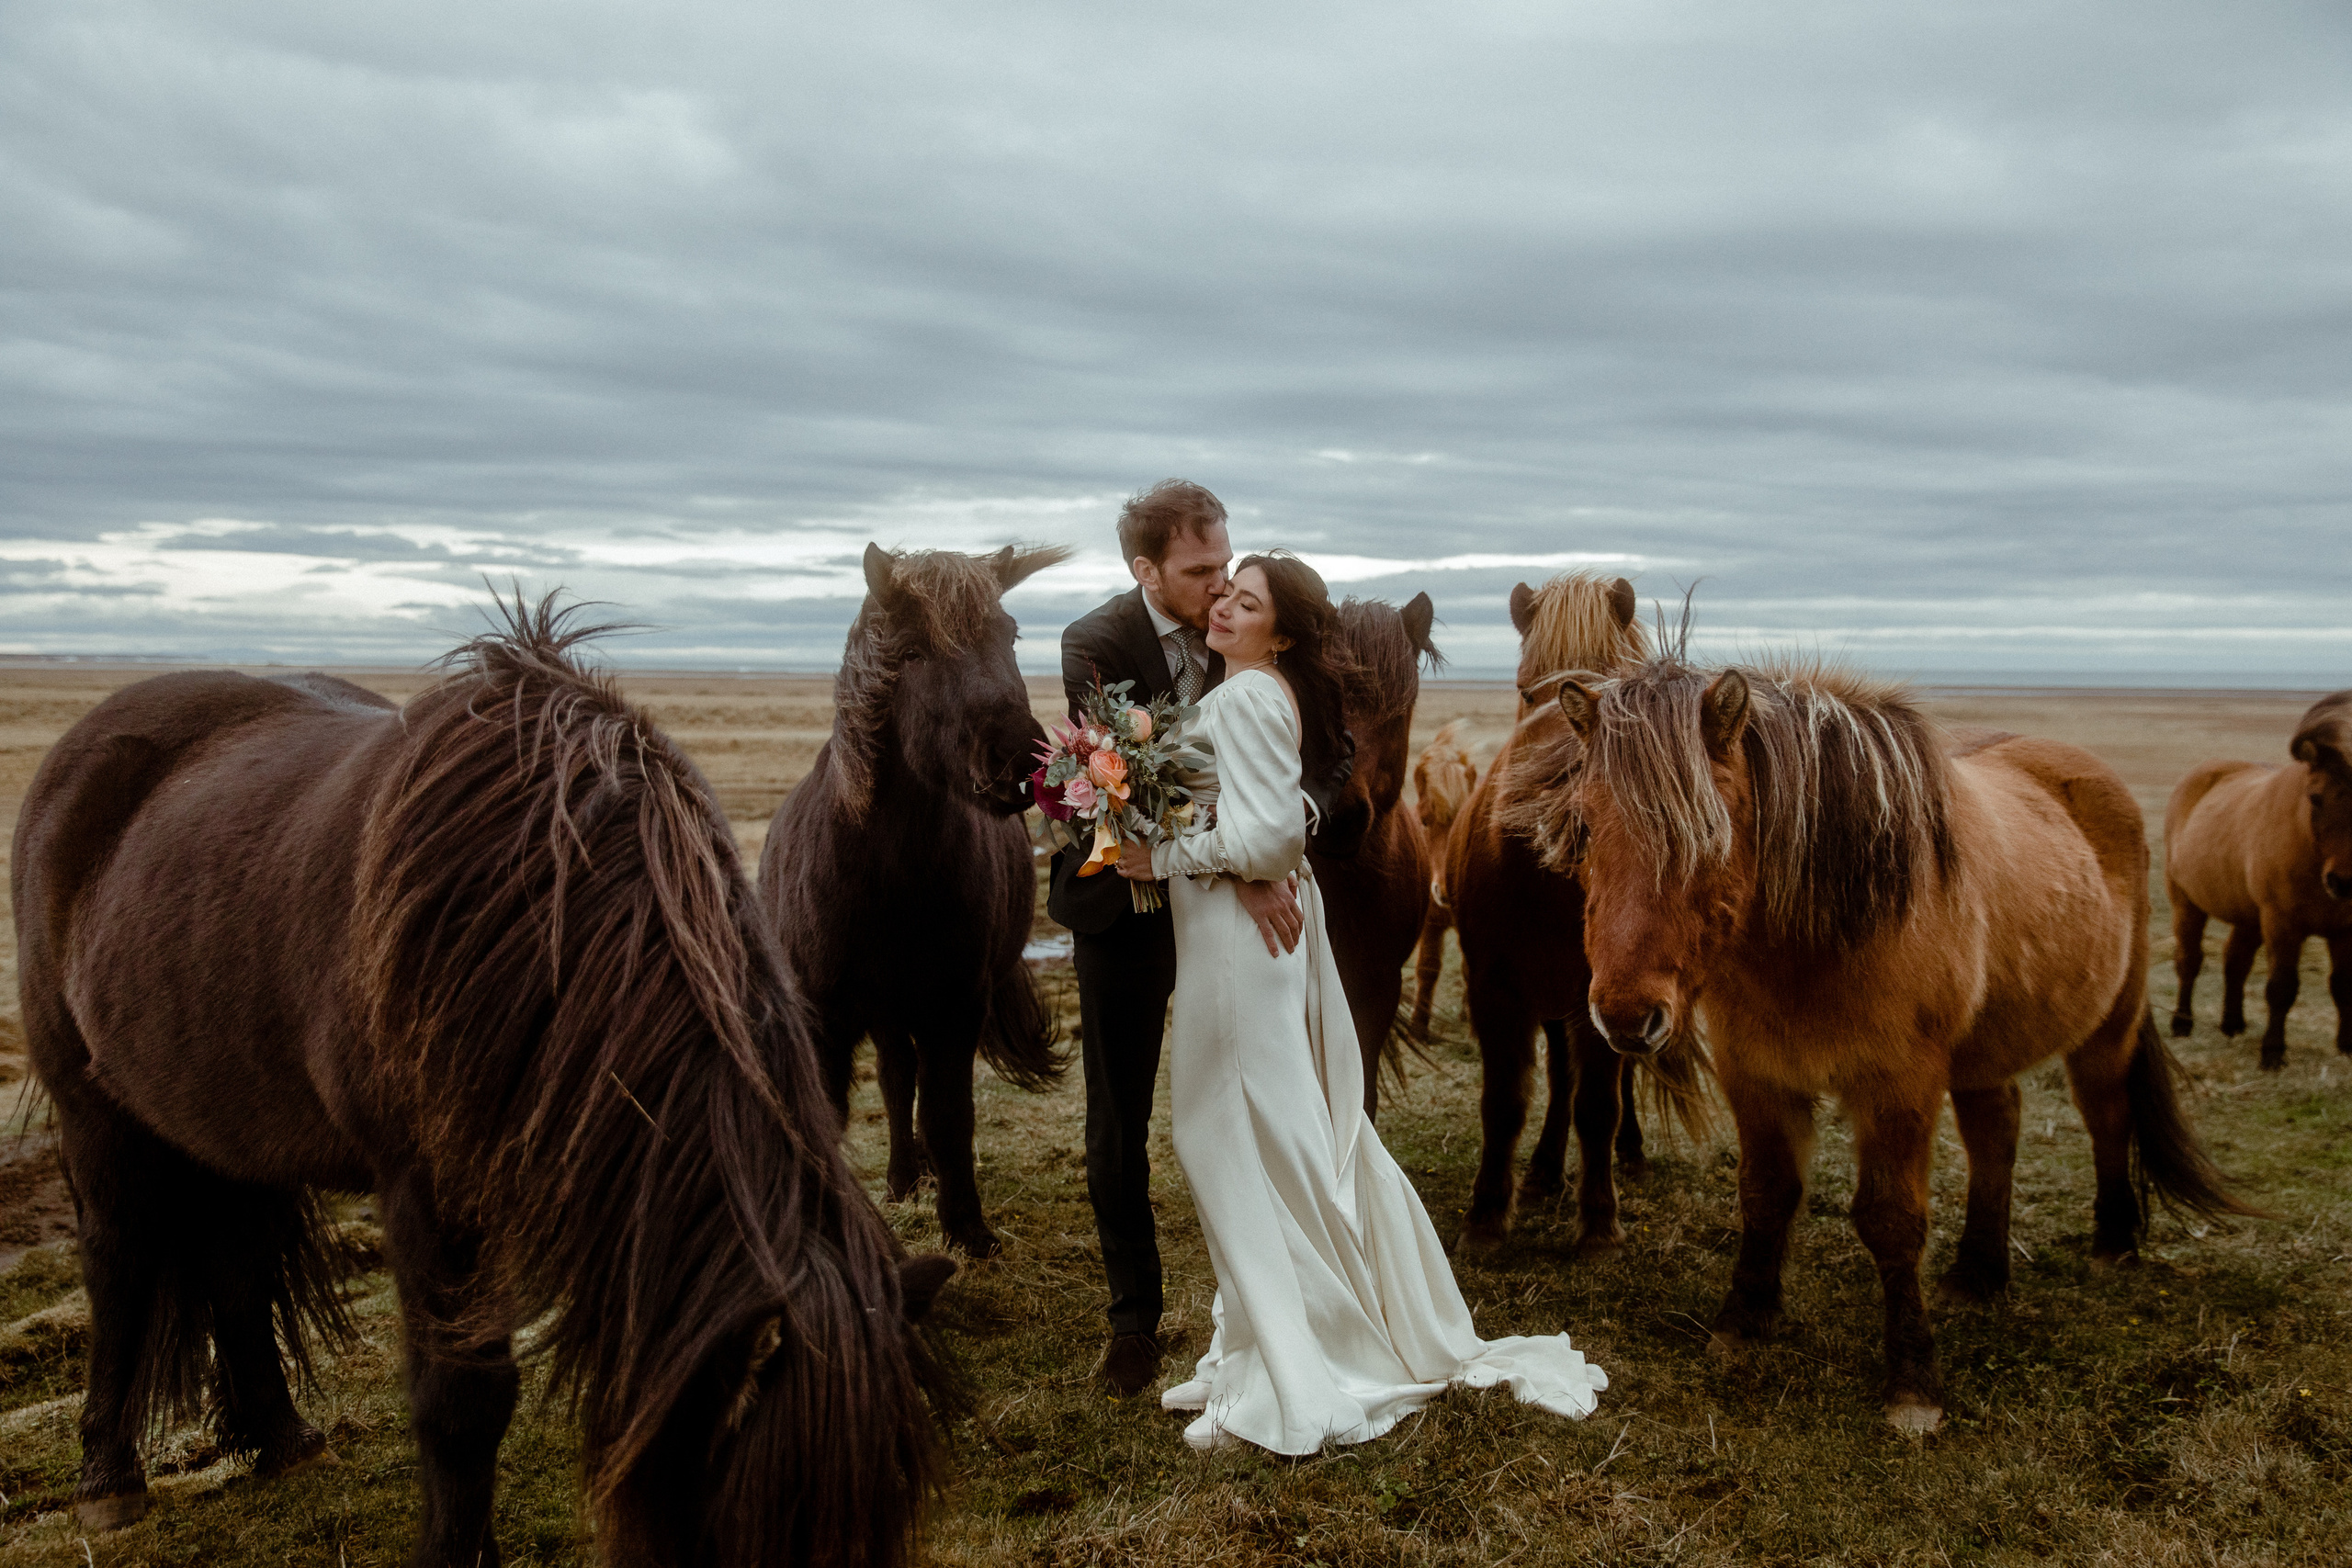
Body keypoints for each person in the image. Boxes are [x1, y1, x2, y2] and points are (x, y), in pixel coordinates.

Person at [1116, 551, 1609, 1454]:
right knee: (1269, 1139)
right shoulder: (1235, 696)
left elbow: (1261, 838)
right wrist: (1130, 804)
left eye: (1246, 600)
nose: (1224, 605)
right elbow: (1256, 824)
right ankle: (1264, 1340)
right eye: (1223, 593)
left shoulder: (1255, 696)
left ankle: (1296, 1357)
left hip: (1235, 949)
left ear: (1285, 631)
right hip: (1223, 935)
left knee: (1229, 1135)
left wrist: (1173, 857)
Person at [1049, 480, 1313, 1398]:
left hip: (1227, 917)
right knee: (1118, 1117)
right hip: (1125, 906)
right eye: (1198, 571)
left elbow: (1313, 762)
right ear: (1144, 569)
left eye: (1223, 566)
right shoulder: (1094, 643)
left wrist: (1273, 849)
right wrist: (1248, 865)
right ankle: (1133, 1320)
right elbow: (1124, 781)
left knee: (1252, 1100)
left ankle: (1277, 1299)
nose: (1216, 587)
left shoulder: (1255, 638)